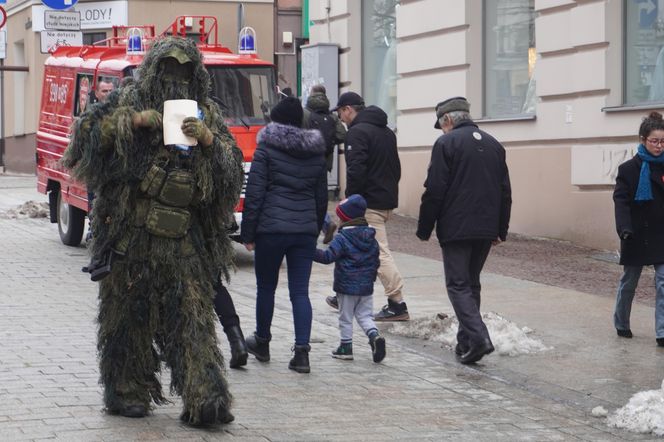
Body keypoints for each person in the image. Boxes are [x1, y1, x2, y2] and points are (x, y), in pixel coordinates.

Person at [62, 37, 244, 425]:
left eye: (183, 70)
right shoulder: (128, 101)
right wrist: (135, 122)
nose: (175, 77)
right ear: (153, 70)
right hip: (132, 240)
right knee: (127, 320)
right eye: (167, 68)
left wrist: (209, 141)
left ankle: (206, 397)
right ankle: (126, 390)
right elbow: (83, 138)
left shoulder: (206, 114)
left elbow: (231, 173)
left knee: (192, 323)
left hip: (184, 244)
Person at [416, 97, 512, 365]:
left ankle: (479, 337)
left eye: (441, 125)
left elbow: (435, 189)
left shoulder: (446, 143)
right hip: (485, 227)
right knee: (471, 284)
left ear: (447, 120)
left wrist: (425, 228)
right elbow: (505, 191)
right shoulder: (494, 144)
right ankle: (465, 343)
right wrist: (501, 229)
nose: (442, 129)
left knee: (458, 285)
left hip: (456, 226)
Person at [240, 96, 327, 374]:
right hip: (303, 231)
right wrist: (313, 229)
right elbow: (321, 198)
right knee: (300, 292)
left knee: (266, 287)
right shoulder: (315, 152)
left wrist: (248, 233)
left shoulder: (266, 148)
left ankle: (262, 342)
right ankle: (302, 354)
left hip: (271, 230)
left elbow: (255, 194)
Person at [329, 91, 408, 322]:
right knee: (358, 249)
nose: (341, 119)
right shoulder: (386, 132)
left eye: (341, 113)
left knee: (378, 252)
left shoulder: (356, 133)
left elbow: (356, 170)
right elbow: (396, 167)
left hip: (366, 203)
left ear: (348, 109)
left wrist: (351, 202)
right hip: (383, 200)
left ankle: (397, 303)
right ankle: (343, 293)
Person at [313, 194, 386, 363]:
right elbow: (376, 260)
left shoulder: (343, 238)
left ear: (345, 219)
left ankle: (346, 347)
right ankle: (374, 336)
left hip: (346, 287)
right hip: (366, 286)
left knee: (345, 318)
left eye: (340, 217)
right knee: (365, 316)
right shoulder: (371, 237)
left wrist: (310, 251)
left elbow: (327, 257)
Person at [613, 111, 664, 347]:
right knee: (629, 282)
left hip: (661, 234)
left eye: (663, 141)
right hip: (635, 233)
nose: (659, 146)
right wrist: (624, 228)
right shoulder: (628, 170)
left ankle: (662, 332)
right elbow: (621, 202)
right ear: (643, 140)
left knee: (663, 282)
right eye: (654, 141)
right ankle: (621, 322)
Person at [302, 84, 347, 244]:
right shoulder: (332, 116)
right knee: (320, 197)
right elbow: (342, 135)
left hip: (306, 162)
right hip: (324, 162)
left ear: (312, 94)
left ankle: (322, 226)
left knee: (307, 196)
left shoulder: (305, 113)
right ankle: (325, 224)